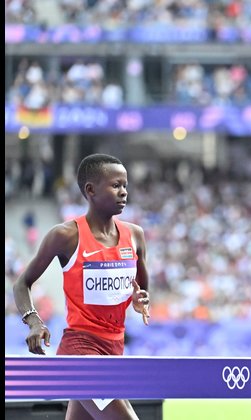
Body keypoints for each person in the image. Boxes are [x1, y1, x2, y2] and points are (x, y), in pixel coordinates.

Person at [13, 153, 151, 419]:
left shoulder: (135, 235)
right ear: (90, 190)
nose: (124, 192)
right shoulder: (65, 235)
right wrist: (34, 322)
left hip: (114, 350)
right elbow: (22, 283)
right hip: (80, 351)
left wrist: (139, 300)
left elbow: (142, 290)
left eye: (125, 185)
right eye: (115, 185)